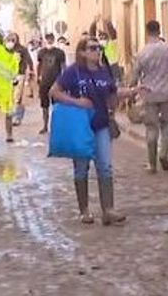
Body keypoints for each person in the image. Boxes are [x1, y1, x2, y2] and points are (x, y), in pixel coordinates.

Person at [49, 37, 139, 225]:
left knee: (105, 166)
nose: (97, 51)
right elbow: (54, 92)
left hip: (101, 124)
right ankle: (84, 211)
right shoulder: (73, 72)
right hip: (81, 127)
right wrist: (76, 102)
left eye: (99, 48)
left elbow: (112, 93)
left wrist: (131, 92)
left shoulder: (103, 71)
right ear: (82, 52)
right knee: (81, 168)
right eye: (92, 48)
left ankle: (108, 210)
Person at [132, 20, 168, 173]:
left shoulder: (142, 53)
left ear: (147, 32)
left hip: (149, 94)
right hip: (167, 92)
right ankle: (163, 153)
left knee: (151, 129)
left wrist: (132, 91)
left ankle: (152, 164)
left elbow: (134, 76)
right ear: (159, 31)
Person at [36, 33, 67, 135]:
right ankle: (45, 126)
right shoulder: (41, 52)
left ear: (53, 40)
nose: (49, 41)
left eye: (51, 39)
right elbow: (39, 65)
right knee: (44, 106)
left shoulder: (59, 53)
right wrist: (37, 77)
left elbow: (63, 66)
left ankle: (57, 126)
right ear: (45, 40)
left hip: (56, 83)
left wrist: (64, 80)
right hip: (44, 82)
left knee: (57, 106)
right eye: (47, 39)